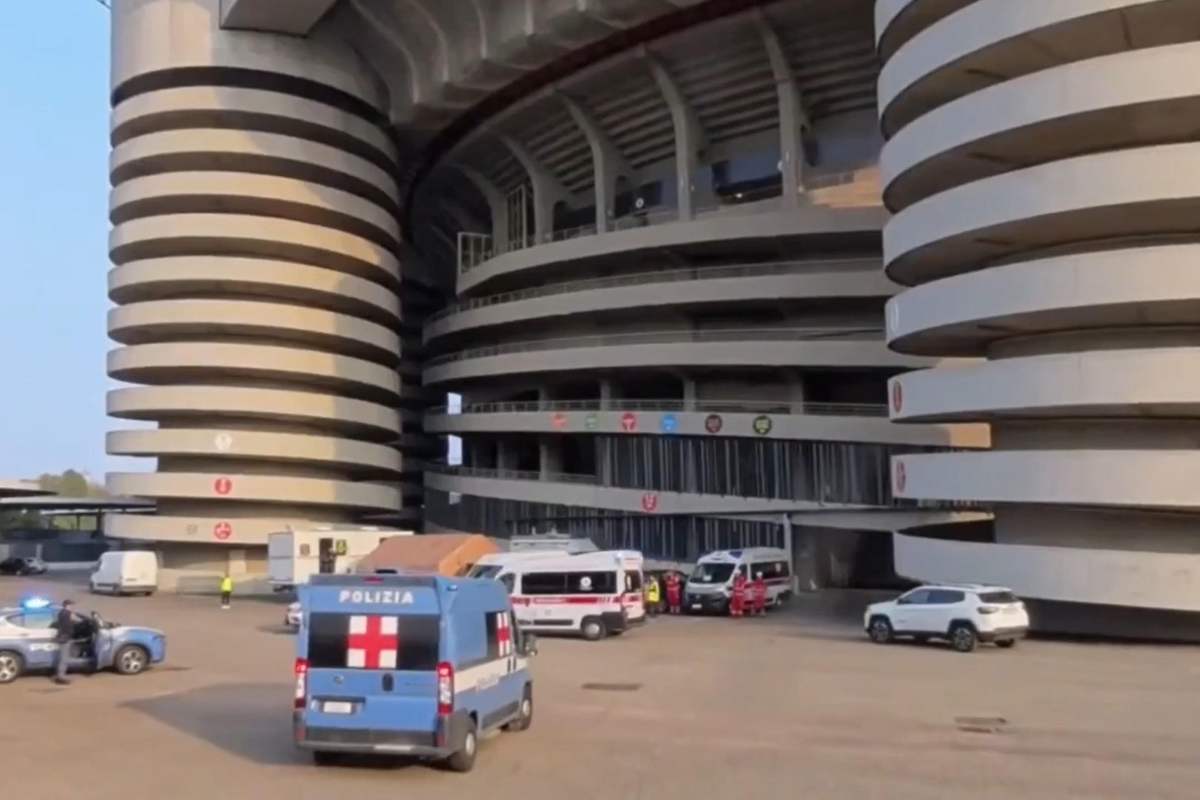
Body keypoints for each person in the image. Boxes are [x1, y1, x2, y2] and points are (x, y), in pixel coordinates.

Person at [52, 600, 76, 685]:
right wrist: (73, 620)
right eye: (72, 605)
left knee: (62, 657)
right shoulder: (67, 614)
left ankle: (60, 675)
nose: (73, 607)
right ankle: (61, 677)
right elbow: (68, 627)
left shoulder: (61, 613)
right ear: (68, 605)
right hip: (65, 638)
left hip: (61, 637)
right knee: (64, 658)